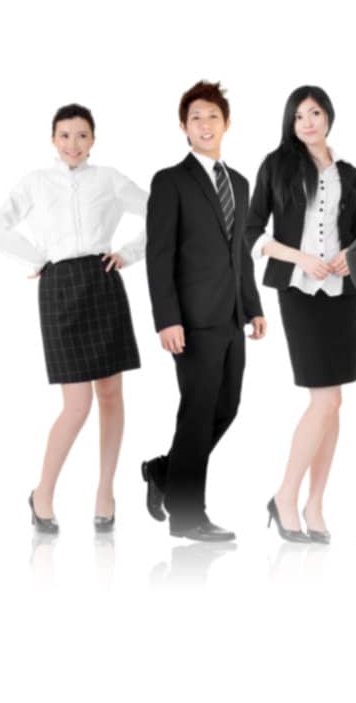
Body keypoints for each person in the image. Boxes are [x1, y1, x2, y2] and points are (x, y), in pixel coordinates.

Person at [0, 103, 146, 534]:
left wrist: (128, 253)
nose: (73, 144)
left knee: (111, 395)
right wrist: (39, 258)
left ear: (93, 139)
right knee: (76, 405)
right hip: (59, 287)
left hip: (102, 279)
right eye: (64, 135)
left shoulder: (110, 179)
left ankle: (105, 491)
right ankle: (43, 493)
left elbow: (159, 213)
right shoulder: (36, 182)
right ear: (53, 140)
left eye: (81, 135)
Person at [140, 81, 267, 542]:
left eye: (212, 116)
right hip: (191, 321)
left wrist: (252, 307)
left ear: (226, 123)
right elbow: (160, 256)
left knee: (227, 407)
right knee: (197, 412)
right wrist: (166, 318)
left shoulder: (239, 182)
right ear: (183, 127)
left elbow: (241, 253)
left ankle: (164, 471)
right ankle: (188, 514)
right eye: (195, 118)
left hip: (232, 317)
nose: (205, 124)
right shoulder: (170, 181)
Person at [246, 86, 356, 543]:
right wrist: (300, 257)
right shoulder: (276, 165)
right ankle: (284, 496)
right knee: (325, 400)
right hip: (299, 291)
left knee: (334, 405)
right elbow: (253, 231)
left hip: (341, 293)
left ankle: (315, 504)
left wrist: (349, 256)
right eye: (299, 116)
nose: (308, 122)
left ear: (328, 116)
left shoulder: (349, 173)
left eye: (315, 113)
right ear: (290, 124)